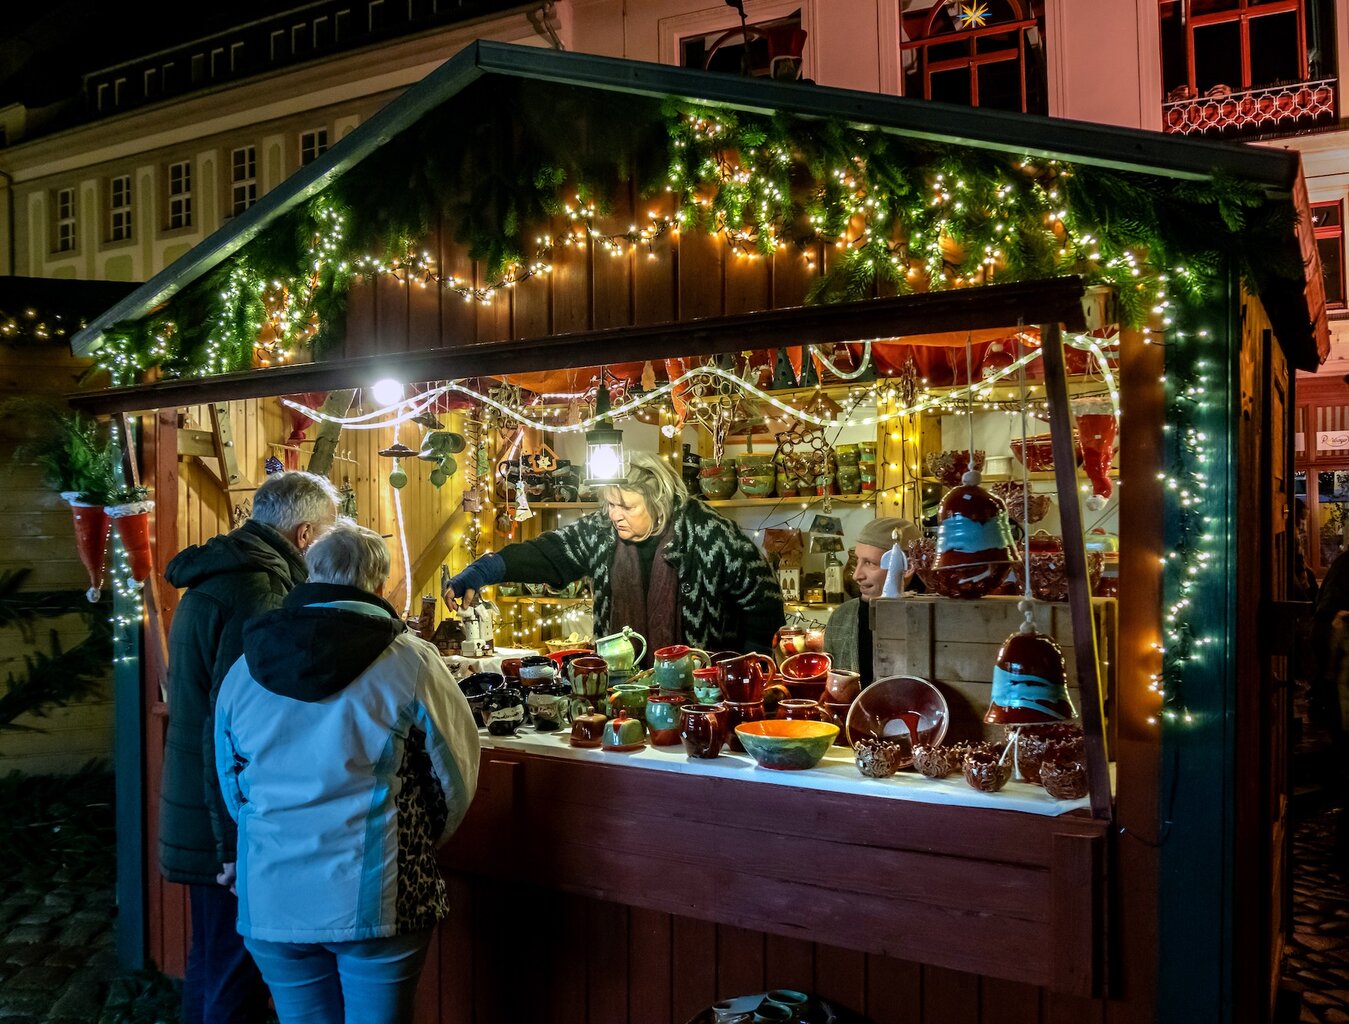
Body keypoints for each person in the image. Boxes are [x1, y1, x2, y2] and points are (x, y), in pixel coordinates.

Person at [215, 524, 480, 1024]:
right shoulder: (410, 661)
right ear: (379, 584)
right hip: (376, 898)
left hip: (273, 893)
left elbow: (231, 783)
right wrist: (413, 843)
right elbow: (456, 778)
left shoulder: (246, 665)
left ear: (311, 573)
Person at [160, 470, 339, 1024]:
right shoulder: (259, 589)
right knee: (236, 968)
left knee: (213, 961)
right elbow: (239, 720)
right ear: (306, 534)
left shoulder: (223, 571)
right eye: (329, 534)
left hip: (199, 803)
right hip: (225, 820)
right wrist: (235, 840)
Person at [445, 451, 785, 658]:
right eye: (609, 503)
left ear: (659, 503)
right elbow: (550, 554)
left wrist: (744, 669)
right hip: (621, 689)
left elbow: (764, 602)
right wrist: (486, 569)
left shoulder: (712, 534)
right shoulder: (602, 531)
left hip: (703, 698)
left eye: (627, 506)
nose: (614, 514)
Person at [823, 517, 920, 685]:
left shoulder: (934, 618)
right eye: (857, 561)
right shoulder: (841, 617)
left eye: (870, 563)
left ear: (907, 568)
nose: (856, 575)